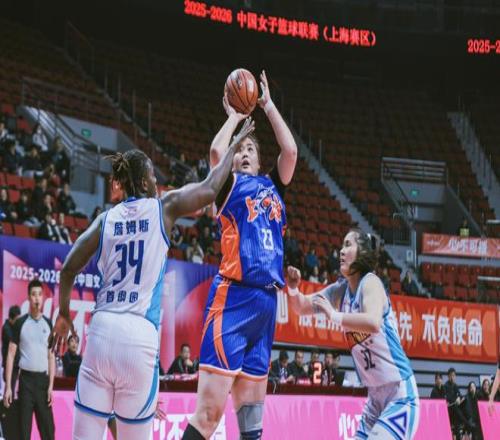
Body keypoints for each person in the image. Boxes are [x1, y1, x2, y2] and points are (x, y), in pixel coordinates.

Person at [48, 118, 255, 440]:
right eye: (153, 176)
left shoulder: (105, 220)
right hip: (139, 335)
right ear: (145, 181)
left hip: (101, 331)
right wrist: (233, 146)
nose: (156, 180)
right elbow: (211, 187)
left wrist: (63, 313)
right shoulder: (164, 207)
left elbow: (68, 269)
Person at [184, 71, 297, 440]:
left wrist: (267, 105)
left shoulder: (273, 186)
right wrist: (234, 116)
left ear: (260, 161)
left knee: (252, 426)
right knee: (208, 415)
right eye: (241, 150)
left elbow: (291, 152)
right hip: (233, 299)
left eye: (251, 150)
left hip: (265, 305)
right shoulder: (229, 186)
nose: (244, 153)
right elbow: (217, 153)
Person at [286, 228, 420, 439]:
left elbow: (373, 322)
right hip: (375, 398)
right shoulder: (339, 291)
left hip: (400, 395)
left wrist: (334, 315)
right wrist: (293, 289)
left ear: (362, 252)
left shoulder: (371, 283)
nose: (341, 250)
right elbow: (301, 308)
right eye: (342, 245)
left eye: (348, 245)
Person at [3, 280, 55, 440]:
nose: (37, 298)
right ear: (28, 297)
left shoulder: (48, 323)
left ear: (43, 297)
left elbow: (51, 356)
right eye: (33, 294)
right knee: (23, 432)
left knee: (48, 431)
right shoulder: (20, 323)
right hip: (25, 382)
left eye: (39, 294)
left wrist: (51, 386)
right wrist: (8, 387)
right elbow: (10, 354)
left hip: (43, 383)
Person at [445, 368, 474, 435]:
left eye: (453, 375)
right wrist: (456, 399)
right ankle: (467, 424)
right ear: (448, 376)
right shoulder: (446, 386)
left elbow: (459, 395)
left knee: (465, 400)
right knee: (456, 410)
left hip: (456, 409)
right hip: (449, 409)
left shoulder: (455, 385)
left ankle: (468, 420)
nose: (452, 377)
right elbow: (449, 398)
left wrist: (459, 398)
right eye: (451, 375)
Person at [1, 305, 21, 392]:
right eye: (17, 320)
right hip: (9, 364)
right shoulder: (6, 328)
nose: (18, 322)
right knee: (9, 390)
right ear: (10, 318)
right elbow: (15, 341)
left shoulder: (14, 327)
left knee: (12, 389)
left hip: (16, 363)